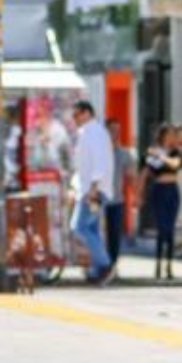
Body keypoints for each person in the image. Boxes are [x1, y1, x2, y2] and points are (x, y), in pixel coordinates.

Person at [69, 100, 116, 285]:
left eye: (76, 115)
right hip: (90, 188)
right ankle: (98, 270)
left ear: (87, 113)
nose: (74, 119)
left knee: (78, 226)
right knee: (92, 228)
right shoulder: (90, 132)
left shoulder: (93, 132)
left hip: (93, 190)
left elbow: (99, 161)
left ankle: (104, 265)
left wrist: (94, 187)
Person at [144, 125, 182, 280]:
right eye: (169, 134)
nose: (172, 137)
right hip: (159, 190)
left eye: (173, 135)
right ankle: (158, 265)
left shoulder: (177, 152)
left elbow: (176, 164)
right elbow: (147, 171)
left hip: (173, 190)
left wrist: (161, 156)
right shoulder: (153, 152)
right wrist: (138, 193)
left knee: (170, 229)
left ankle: (169, 266)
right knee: (161, 228)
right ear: (162, 136)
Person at [104, 119, 135, 269]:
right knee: (102, 235)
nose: (115, 134)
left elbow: (130, 176)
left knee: (115, 235)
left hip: (117, 200)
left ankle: (113, 265)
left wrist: (136, 196)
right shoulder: (100, 152)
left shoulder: (124, 154)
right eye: (112, 130)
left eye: (117, 130)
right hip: (101, 200)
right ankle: (102, 264)